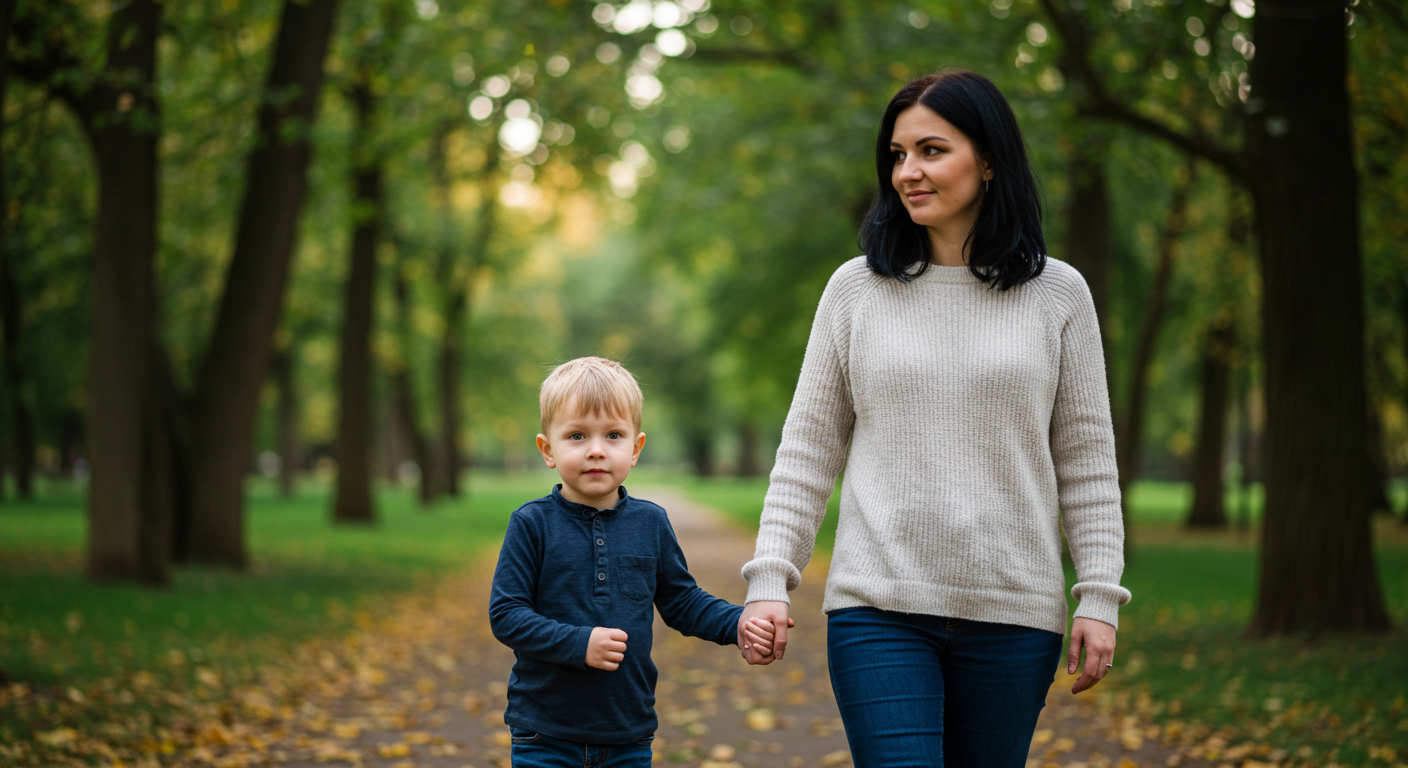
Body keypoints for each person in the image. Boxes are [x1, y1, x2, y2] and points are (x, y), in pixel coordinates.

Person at [735, 70, 1132, 767]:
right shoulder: (855, 290)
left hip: (1013, 612)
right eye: (896, 155)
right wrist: (770, 581)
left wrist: (1099, 597)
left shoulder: (1059, 295)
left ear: (987, 160)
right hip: (877, 607)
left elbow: (1088, 463)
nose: (907, 172)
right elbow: (807, 451)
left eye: (930, 150)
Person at [489, 356, 781, 767]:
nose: (595, 451)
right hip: (545, 731)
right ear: (547, 449)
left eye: (612, 435)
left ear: (636, 447)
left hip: (628, 732)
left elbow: (682, 602)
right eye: (576, 436)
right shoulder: (532, 524)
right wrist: (579, 643)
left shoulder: (651, 523)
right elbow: (506, 614)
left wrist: (737, 623)